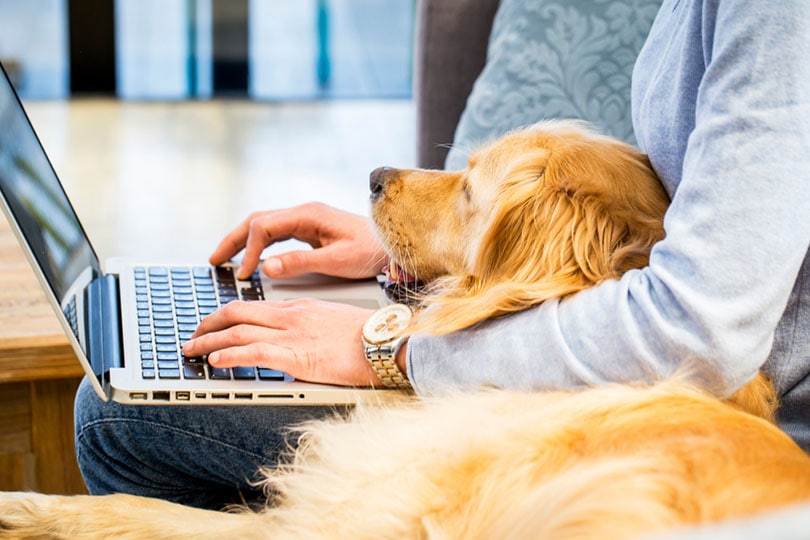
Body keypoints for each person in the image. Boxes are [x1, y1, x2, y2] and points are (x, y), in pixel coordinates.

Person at [75, 0, 810, 518]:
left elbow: (695, 332)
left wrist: (389, 347)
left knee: (117, 418)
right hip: (633, 361)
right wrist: (419, 252)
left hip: (711, 427)